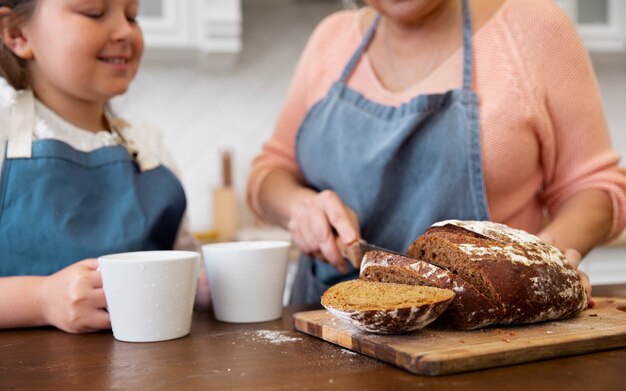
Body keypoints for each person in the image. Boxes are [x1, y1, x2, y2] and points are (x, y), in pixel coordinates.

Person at [246, 0, 626, 305]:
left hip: (480, 350)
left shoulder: (533, 29)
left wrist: (543, 259)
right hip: (323, 342)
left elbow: (595, 187)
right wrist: (300, 208)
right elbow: (271, 170)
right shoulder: (331, 39)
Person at [0, 0, 204, 333]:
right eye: (94, 12)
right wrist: (40, 300)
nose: (125, 31)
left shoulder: (150, 150)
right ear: (17, 33)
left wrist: (203, 284)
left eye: (132, 16)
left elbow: (183, 263)